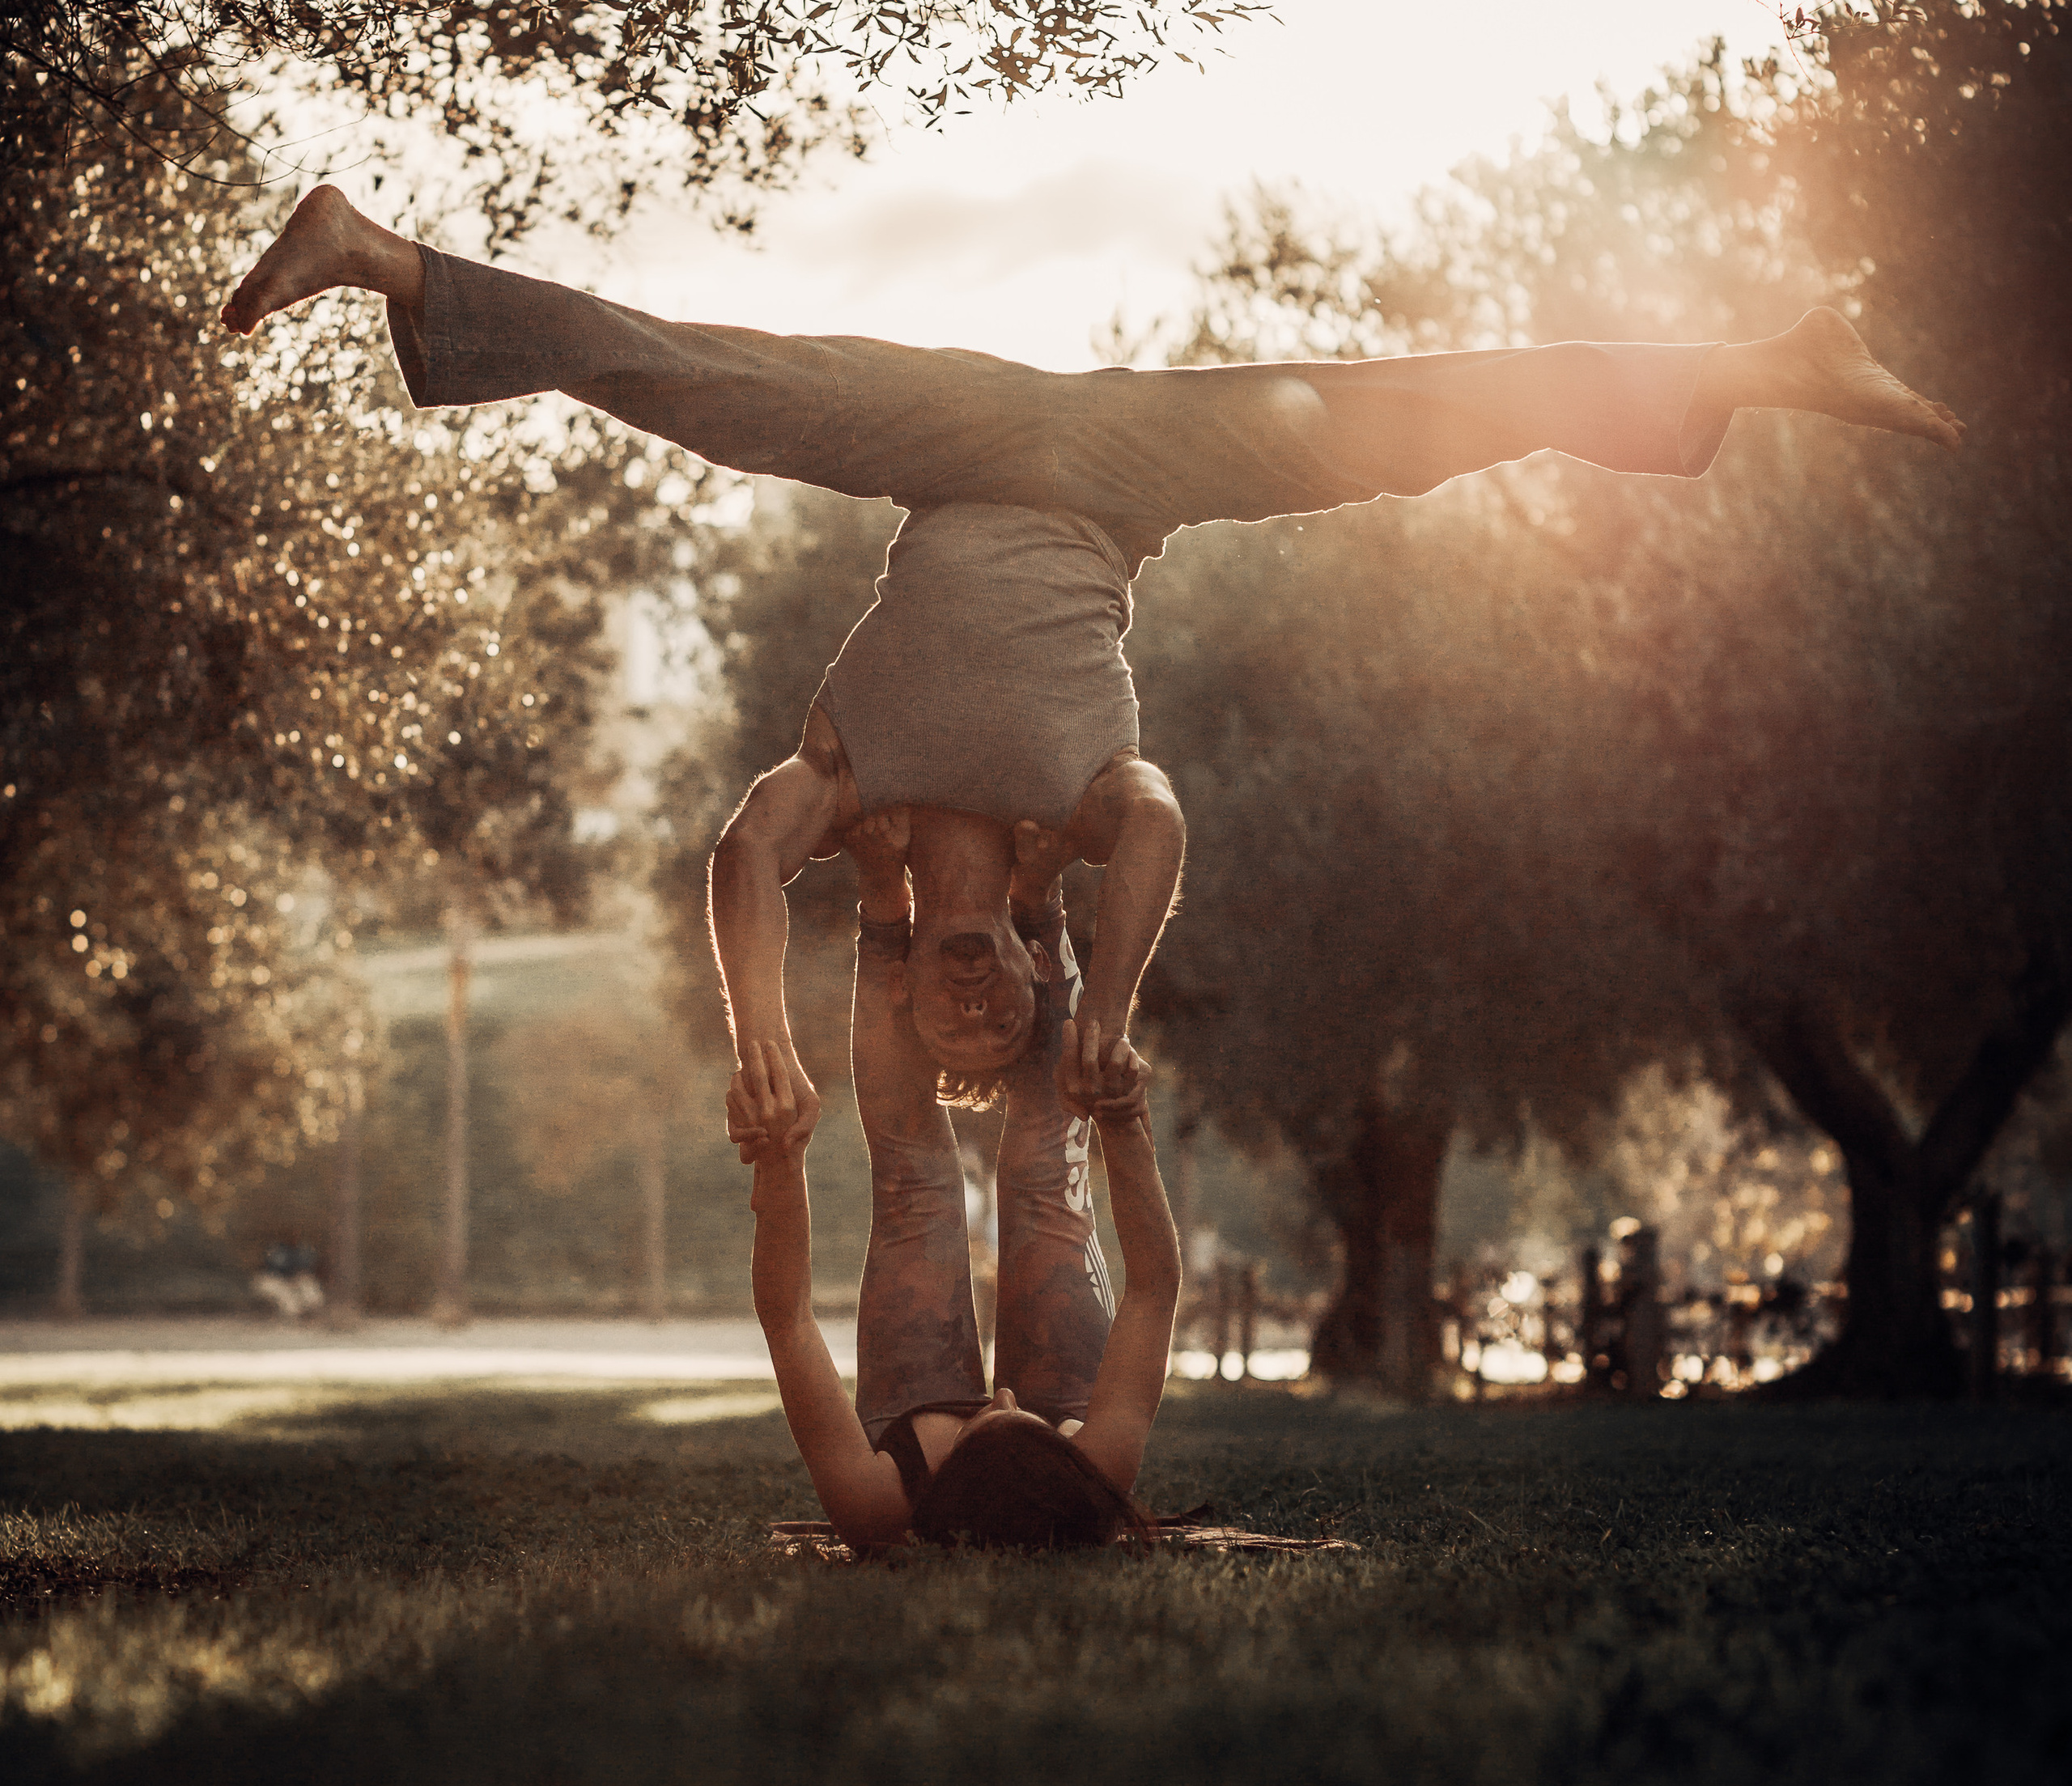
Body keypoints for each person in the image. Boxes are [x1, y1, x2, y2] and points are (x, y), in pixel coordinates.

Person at [224, 186, 1965, 1117]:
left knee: (722, 388)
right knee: (1415, 419)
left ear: (911, 974)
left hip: (950, 436)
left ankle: (379, 255)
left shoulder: (853, 795)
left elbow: (738, 857)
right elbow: (1167, 837)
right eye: (1014, 1013)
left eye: (947, 1013)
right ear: (1044, 956)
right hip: (1138, 467)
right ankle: (1763, 358)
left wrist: (764, 1036)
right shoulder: (1085, 817)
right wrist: (1110, 1020)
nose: (978, 1002)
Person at [729, 813, 1179, 1551]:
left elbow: (788, 1319)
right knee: (1043, 1174)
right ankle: (1038, 898)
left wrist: (779, 1165)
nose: (1000, 1394)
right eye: (1020, 1416)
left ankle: (882, 904)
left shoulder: (875, 1505)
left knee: (914, 1186)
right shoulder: (1097, 1471)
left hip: (923, 1442)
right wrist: (1125, 1123)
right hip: (1060, 1430)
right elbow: (1154, 1288)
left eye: (980, 1424)